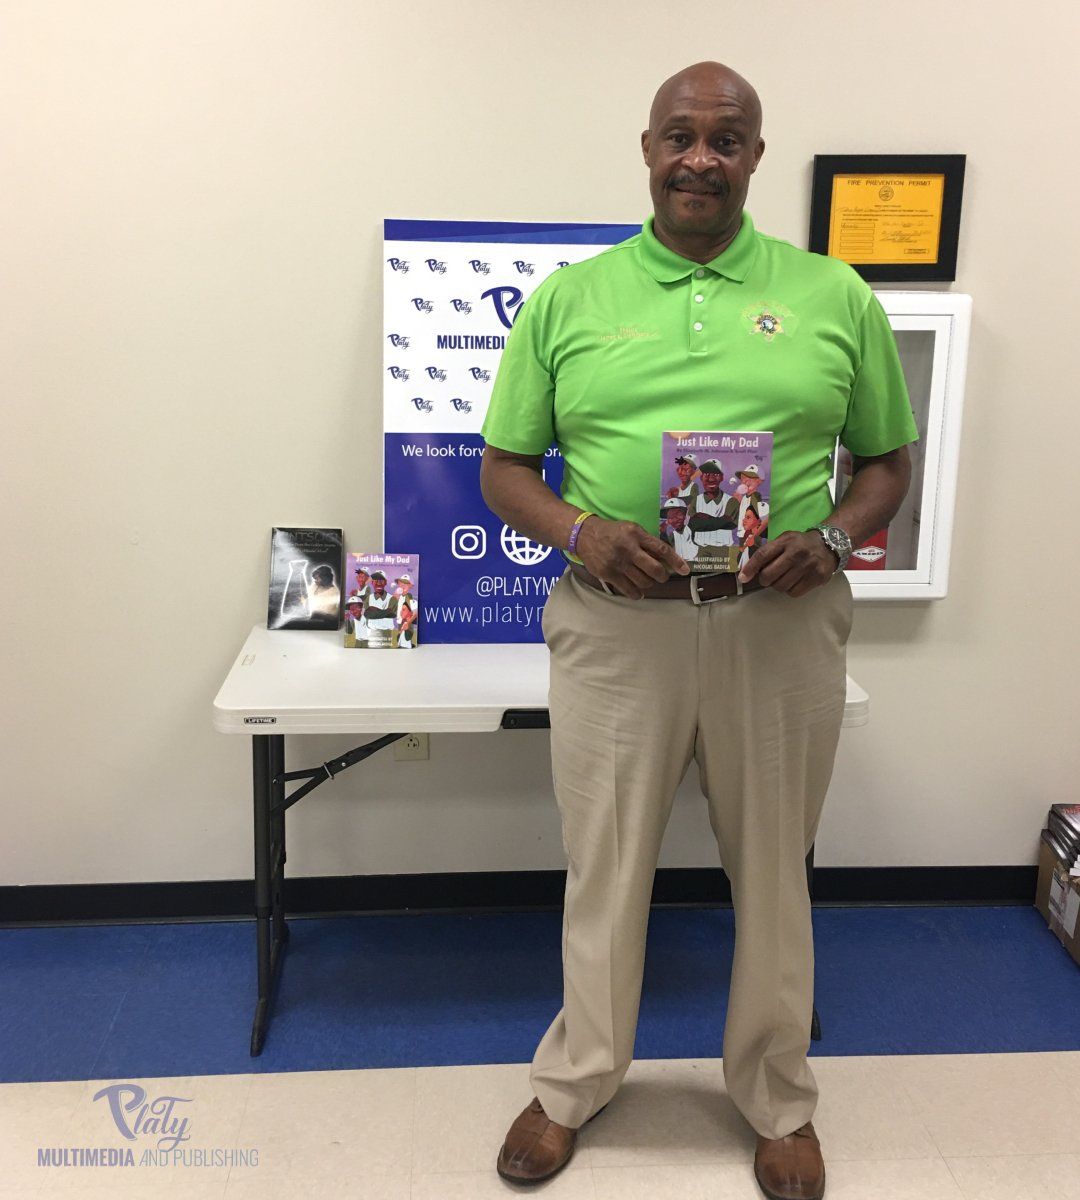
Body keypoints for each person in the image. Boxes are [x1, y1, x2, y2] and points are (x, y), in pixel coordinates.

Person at [479, 60, 916, 1200]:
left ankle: (777, 1098)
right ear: (647, 149)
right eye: (682, 136)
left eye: (728, 141)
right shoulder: (571, 298)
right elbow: (504, 469)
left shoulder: (834, 294)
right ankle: (576, 1082)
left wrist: (837, 540)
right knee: (605, 867)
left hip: (780, 622)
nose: (702, 159)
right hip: (622, 627)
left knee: (774, 870)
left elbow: (886, 465)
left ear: (757, 159)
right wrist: (582, 534)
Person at [659, 497, 698, 562]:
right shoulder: (673, 536)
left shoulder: (694, 529)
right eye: (670, 517)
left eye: (678, 514)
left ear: (685, 514)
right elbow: (668, 551)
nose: (674, 520)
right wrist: (663, 532)